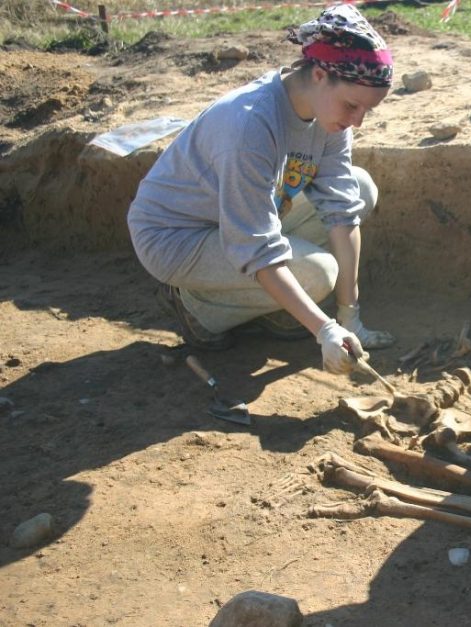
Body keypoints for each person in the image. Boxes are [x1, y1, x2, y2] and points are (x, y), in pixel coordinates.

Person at [127, 4, 395, 374]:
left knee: (359, 188)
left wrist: (350, 316)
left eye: (366, 111)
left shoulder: (328, 116)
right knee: (319, 274)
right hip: (177, 237)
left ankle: (271, 304)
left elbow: (342, 210)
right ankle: (195, 305)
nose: (357, 121)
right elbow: (256, 246)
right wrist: (324, 329)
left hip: (234, 216)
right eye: (352, 105)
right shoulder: (250, 126)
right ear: (319, 74)